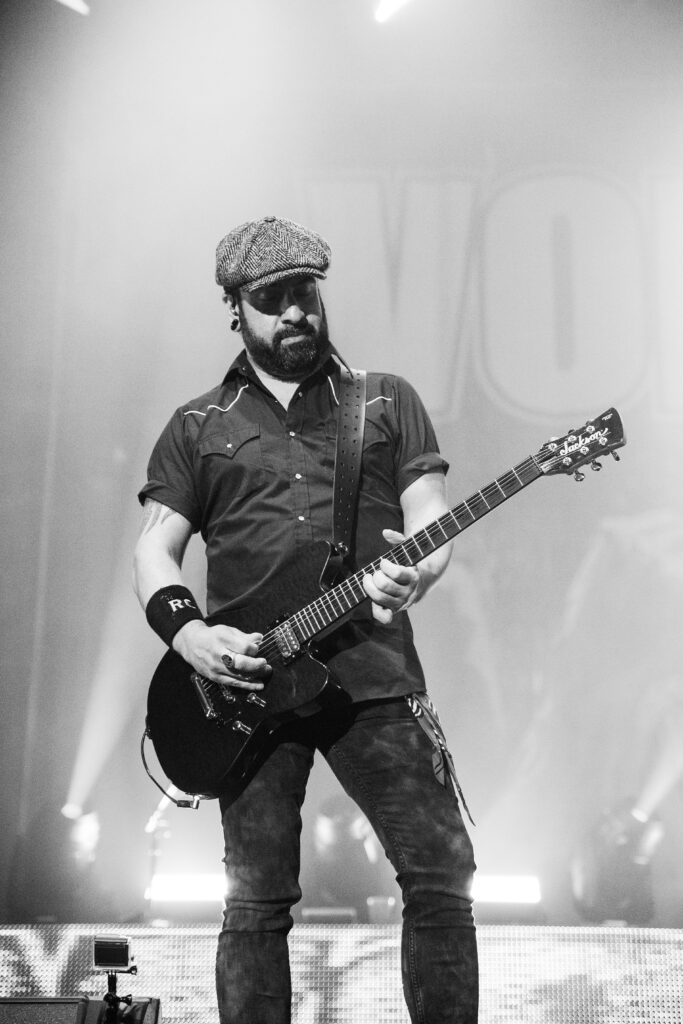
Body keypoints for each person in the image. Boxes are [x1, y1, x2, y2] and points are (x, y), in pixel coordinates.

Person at [133, 215, 478, 1023]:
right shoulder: (195, 426)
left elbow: (431, 521)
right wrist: (191, 634)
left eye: (305, 294)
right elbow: (154, 553)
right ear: (235, 308)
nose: (295, 312)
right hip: (247, 686)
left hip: (375, 676)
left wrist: (416, 573)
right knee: (254, 900)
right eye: (272, 299)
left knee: (439, 871)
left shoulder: (385, 400)